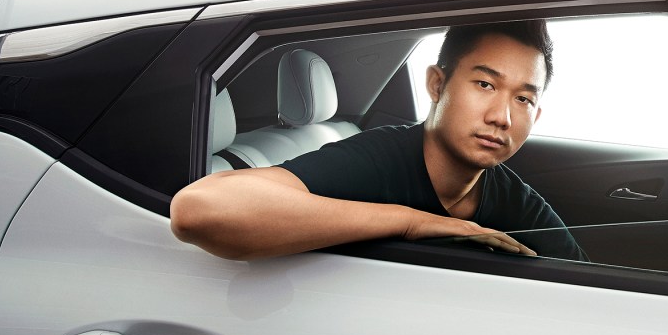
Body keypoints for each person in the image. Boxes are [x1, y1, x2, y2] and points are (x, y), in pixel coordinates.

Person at [172, 20, 587, 262]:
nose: (502, 116)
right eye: (484, 84)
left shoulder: (514, 200)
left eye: (523, 98)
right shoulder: (377, 159)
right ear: (437, 84)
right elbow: (198, 210)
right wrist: (411, 222)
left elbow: (587, 283)